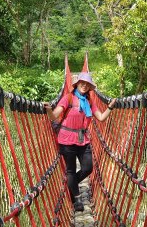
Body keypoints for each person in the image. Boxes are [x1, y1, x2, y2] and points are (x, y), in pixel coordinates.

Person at [44, 72, 116, 212]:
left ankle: (71, 185)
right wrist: (48, 110)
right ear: (77, 84)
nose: (84, 85)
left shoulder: (89, 101)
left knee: (88, 167)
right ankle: (76, 199)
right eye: (82, 82)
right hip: (66, 139)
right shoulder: (68, 98)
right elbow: (54, 117)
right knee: (70, 170)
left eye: (87, 84)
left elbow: (100, 117)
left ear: (89, 87)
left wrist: (110, 107)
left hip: (83, 140)